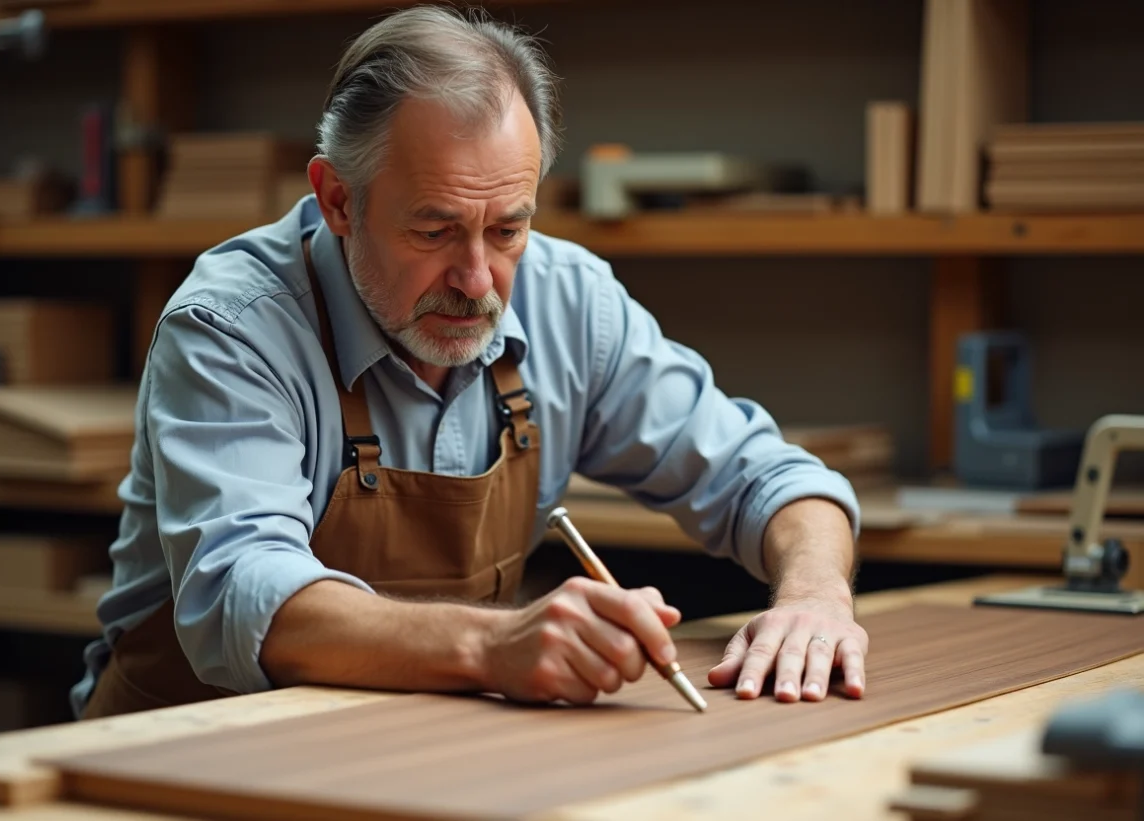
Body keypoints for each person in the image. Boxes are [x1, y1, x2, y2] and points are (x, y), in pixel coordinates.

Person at [72, 5, 869, 720]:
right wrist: (494, 645)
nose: (478, 280)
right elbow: (242, 597)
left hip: (411, 749)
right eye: (434, 230)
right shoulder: (232, 327)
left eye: (507, 229)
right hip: (184, 755)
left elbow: (767, 477)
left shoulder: (569, 300)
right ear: (338, 200)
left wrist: (815, 595)